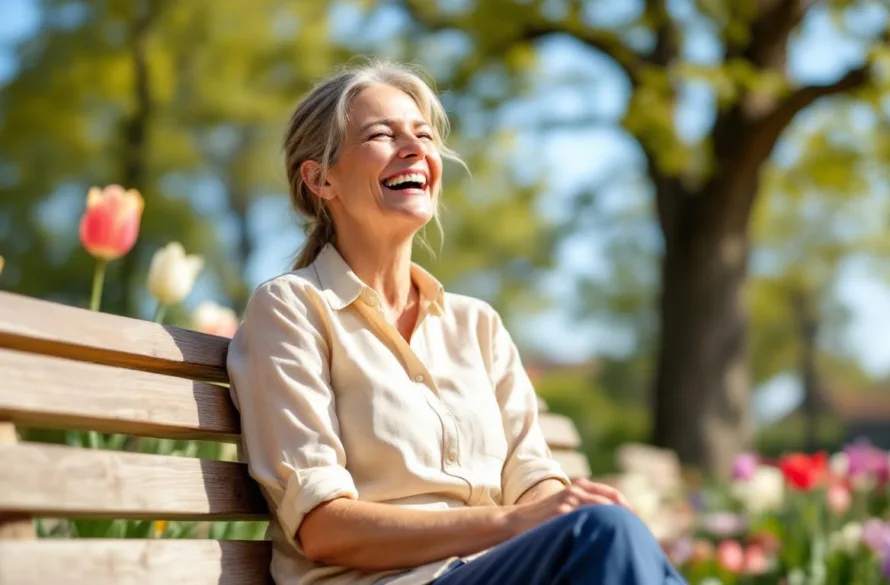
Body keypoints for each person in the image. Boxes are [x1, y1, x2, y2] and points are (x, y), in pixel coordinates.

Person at [226, 59, 688, 585]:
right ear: (320, 178)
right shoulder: (292, 309)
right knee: (605, 537)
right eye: (381, 134)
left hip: (496, 570)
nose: (415, 148)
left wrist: (563, 508)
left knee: (609, 531)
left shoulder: (477, 325)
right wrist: (514, 522)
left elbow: (531, 478)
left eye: (423, 135)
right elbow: (323, 527)